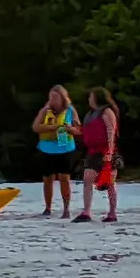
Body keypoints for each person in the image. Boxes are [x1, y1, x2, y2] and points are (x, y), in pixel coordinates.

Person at [32, 85, 80, 217]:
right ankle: (48, 208)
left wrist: (69, 129)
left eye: (55, 97)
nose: (52, 100)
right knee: (48, 179)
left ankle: (66, 209)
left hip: (65, 148)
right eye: (51, 97)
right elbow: (35, 127)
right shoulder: (45, 111)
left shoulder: (70, 110)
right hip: (47, 149)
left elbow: (78, 130)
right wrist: (52, 127)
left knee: (64, 178)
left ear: (62, 98)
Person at [74, 87, 119, 224]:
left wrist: (109, 153)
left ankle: (112, 213)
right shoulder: (90, 115)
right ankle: (86, 211)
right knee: (87, 178)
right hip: (93, 151)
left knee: (109, 182)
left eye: (91, 96)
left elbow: (111, 132)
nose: (89, 99)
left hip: (105, 150)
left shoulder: (107, 112)